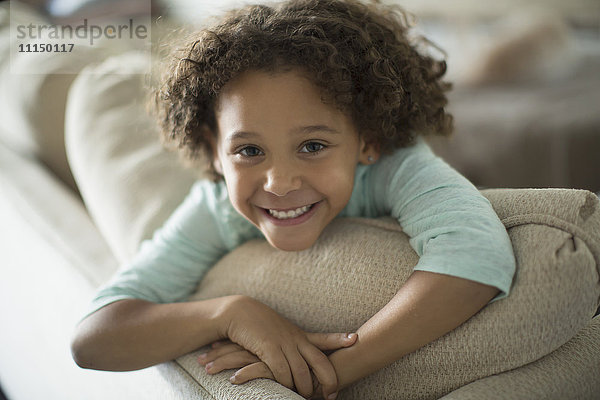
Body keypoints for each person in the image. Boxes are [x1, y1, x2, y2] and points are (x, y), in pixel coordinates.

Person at [70, 1, 516, 399]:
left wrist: (331, 371)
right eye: (249, 150)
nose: (279, 183)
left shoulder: (397, 165)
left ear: (369, 140)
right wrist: (228, 313)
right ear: (214, 152)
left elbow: (476, 254)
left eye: (313, 146)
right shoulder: (215, 208)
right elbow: (93, 338)